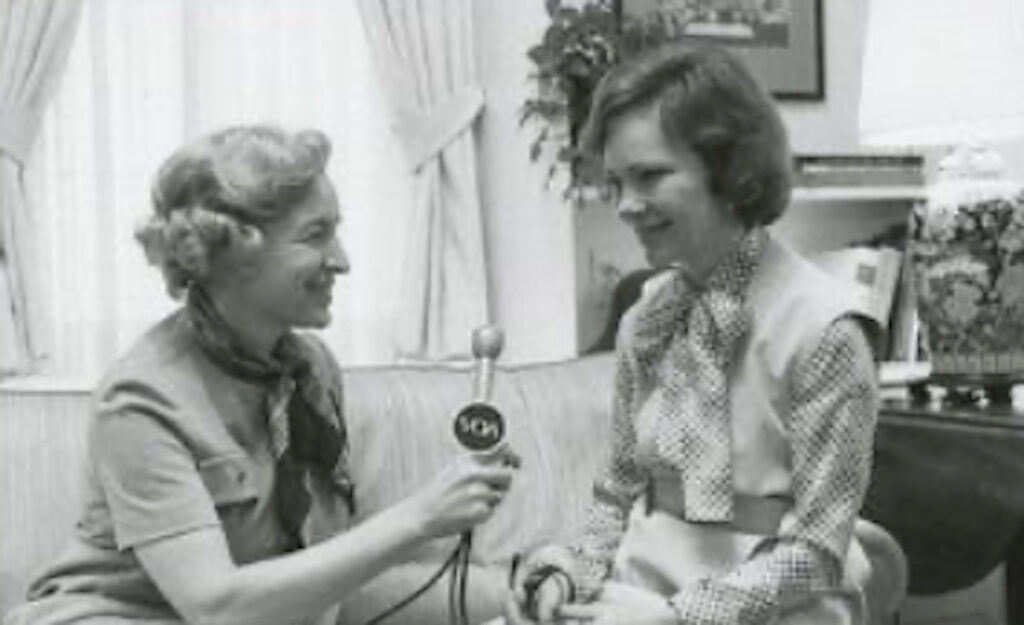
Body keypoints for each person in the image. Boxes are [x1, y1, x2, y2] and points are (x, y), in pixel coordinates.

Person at [4, 125, 518, 625]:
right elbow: (216, 606)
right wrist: (421, 517)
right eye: (316, 235)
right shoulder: (141, 400)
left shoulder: (311, 372)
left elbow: (326, 585)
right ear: (235, 252)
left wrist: (511, 591)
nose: (341, 261)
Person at [509, 45, 879, 625]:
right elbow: (617, 493)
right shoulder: (645, 318)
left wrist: (678, 618)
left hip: (779, 609)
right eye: (616, 183)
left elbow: (818, 550)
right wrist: (570, 574)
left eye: (650, 176)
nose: (626, 206)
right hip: (639, 595)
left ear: (730, 169)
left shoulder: (826, 329)